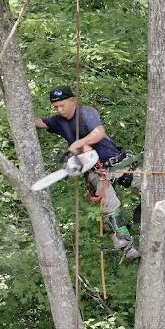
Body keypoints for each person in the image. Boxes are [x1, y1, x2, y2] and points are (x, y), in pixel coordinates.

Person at [35, 86, 140, 261]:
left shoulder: (85, 113)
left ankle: (147, 212)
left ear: (72, 101)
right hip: (95, 172)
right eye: (56, 107)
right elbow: (39, 122)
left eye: (62, 105)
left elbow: (99, 133)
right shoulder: (58, 122)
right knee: (109, 204)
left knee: (149, 185)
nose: (59, 110)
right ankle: (126, 244)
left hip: (116, 163)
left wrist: (79, 143)